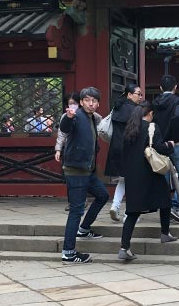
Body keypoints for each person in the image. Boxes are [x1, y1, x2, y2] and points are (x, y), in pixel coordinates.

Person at [117, 101, 178, 261]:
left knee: (132, 212)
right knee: (165, 200)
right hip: (150, 173)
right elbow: (158, 147)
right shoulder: (152, 127)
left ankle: (124, 247)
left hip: (133, 175)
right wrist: (170, 145)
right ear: (150, 113)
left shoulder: (129, 130)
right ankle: (165, 233)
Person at [57, 86, 108, 263]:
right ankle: (68, 252)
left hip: (88, 170)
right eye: (87, 100)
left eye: (94, 101)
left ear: (98, 103)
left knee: (103, 195)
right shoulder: (75, 116)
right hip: (76, 170)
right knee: (76, 210)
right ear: (81, 102)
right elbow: (65, 127)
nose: (90, 103)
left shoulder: (93, 118)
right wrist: (69, 117)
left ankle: (84, 228)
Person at [153, 74, 179, 224]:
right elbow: (176, 118)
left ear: (160, 88)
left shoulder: (154, 101)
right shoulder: (177, 100)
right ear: (175, 87)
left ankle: (164, 206)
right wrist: (175, 138)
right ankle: (174, 205)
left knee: (164, 176)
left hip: (159, 143)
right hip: (174, 143)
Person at [107, 83, 143, 222]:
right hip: (131, 150)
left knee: (123, 180)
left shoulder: (117, 107)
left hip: (116, 148)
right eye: (138, 94)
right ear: (129, 94)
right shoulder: (135, 110)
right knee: (134, 182)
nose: (140, 97)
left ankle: (115, 206)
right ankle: (129, 213)